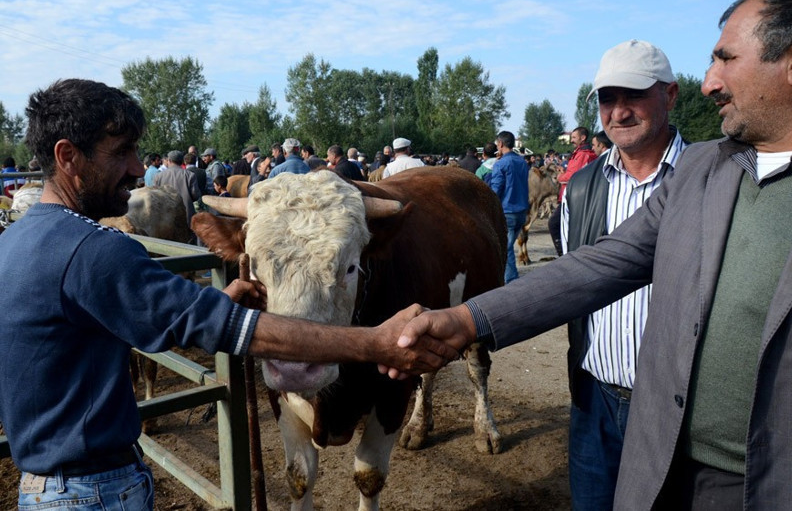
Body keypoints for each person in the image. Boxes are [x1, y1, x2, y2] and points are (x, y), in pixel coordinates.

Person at [391, 0, 792, 510]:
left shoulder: (694, 164)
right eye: (606, 99)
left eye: (726, 59)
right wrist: (465, 321)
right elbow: (597, 267)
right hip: (634, 427)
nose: (712, 81)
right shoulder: (709, 171)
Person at [0, 79, 459, 510]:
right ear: (68, 157)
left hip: (41, 484)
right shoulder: (93, 252)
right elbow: (231, 332)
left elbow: (167, 318)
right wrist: (377, 343)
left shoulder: (16, 242)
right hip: (94, 489)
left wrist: (215, 304)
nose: (140, 168)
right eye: (123, 152)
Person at [560, 39, 687, 511]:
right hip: (595, 399)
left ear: (670, 96)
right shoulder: (582, 187)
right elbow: (572, 284)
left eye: (633, 95)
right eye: (608, 99)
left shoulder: (707, 177)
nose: (619, 112)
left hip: (675, 408)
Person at [548, 126, 597, 255]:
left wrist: (560, 177)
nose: (571, 140)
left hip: (573, 198)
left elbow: (573, 177)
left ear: (583, 138)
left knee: (554, 224)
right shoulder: (582, 154)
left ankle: (564, 256)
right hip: (578, 196)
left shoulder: (582, 155)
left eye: (574, 137)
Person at [489, 131, 529, 283]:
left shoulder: (500, 164)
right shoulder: (522, 162)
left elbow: (496, 189)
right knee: (509, 245)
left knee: (506, 247)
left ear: (500, 144)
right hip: (521, 210)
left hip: (507, 210)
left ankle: (511, 280)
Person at [153, 149, 201, 232]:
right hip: (186, 215)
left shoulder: (158, 176)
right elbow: (196, 195)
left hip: (166, 215)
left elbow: (155, 197)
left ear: (169, 160)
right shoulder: (190, 175)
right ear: (182, 161)